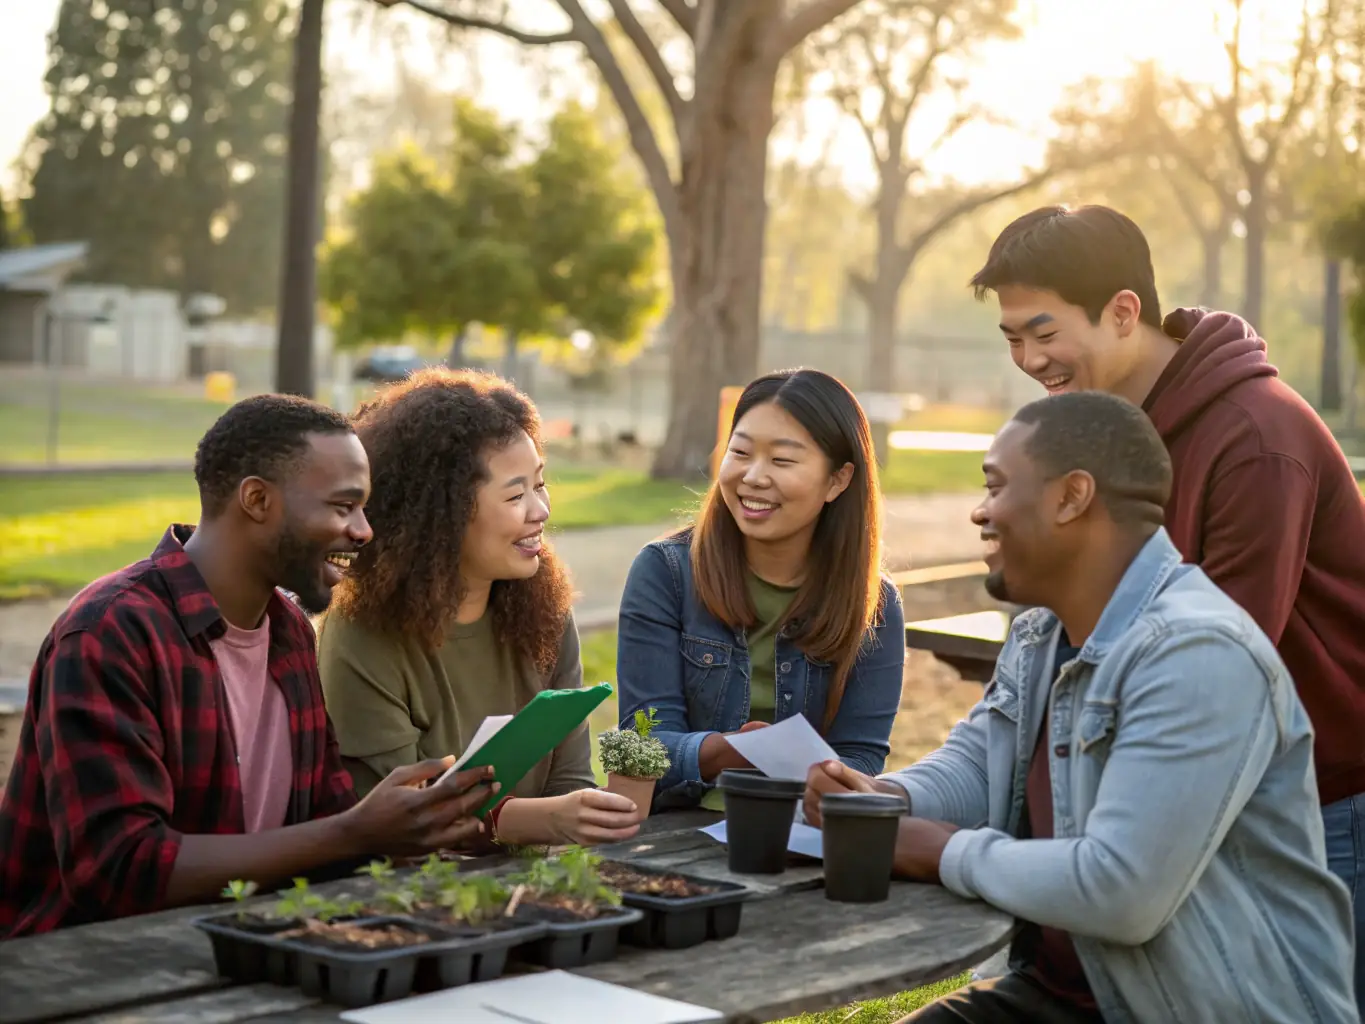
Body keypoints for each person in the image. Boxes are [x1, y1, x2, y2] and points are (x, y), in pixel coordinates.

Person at [805, 392, 1356, 1023]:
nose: (980, 513)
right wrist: (882, 799)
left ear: (1071, 497)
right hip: (1061, 993)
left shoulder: (1198, 651)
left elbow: (1123, 891)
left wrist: (941, 850)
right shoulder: (1043, 631)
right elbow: (980, 765)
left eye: (997, 486)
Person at [968, 203, 1365, 1008]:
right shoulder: (1104, 431)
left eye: (1042, 332)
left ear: (1121, 312)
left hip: (1319, 793)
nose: (1028, 358)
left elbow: (1219, 655)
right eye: (1011, 338)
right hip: (1180, 774)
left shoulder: (1257, 438)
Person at [0, 394, 498, 939]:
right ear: (257, 499)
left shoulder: (286, 628)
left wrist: (409, 828)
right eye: (341, 506)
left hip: (245, 946)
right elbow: (121, 870)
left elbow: (320, 828)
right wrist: (354, 833)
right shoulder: (109, 633)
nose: (363, 531)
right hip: (89, 969)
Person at [317, 369, 640, 848]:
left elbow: (569, 781)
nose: (541, 510)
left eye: (541, 484)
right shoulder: (362, 633)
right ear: (440, 516)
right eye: (515, 495)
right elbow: (401, 820)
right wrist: (539, 821)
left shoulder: (544, 608)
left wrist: (585, 816)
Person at [616, 368, 905, 812]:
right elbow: (644, 745)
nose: (753, 476)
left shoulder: (874, 604)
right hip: (677, 828)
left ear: (838, 480)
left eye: (783, 461)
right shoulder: (666, 573)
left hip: (800, 833)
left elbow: (861, 758)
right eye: (741, 452)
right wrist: (728, 749)